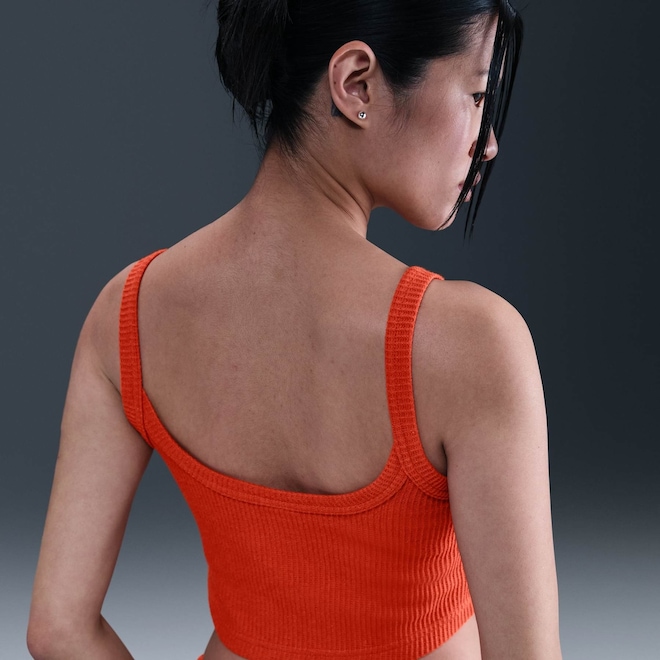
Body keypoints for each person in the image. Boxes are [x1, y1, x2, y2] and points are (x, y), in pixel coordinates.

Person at [27, 0, 562, 658]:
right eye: (476, 96)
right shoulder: (472, 344)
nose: (490, 141)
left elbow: (57, 630)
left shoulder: (127, 314)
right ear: (356, 83)